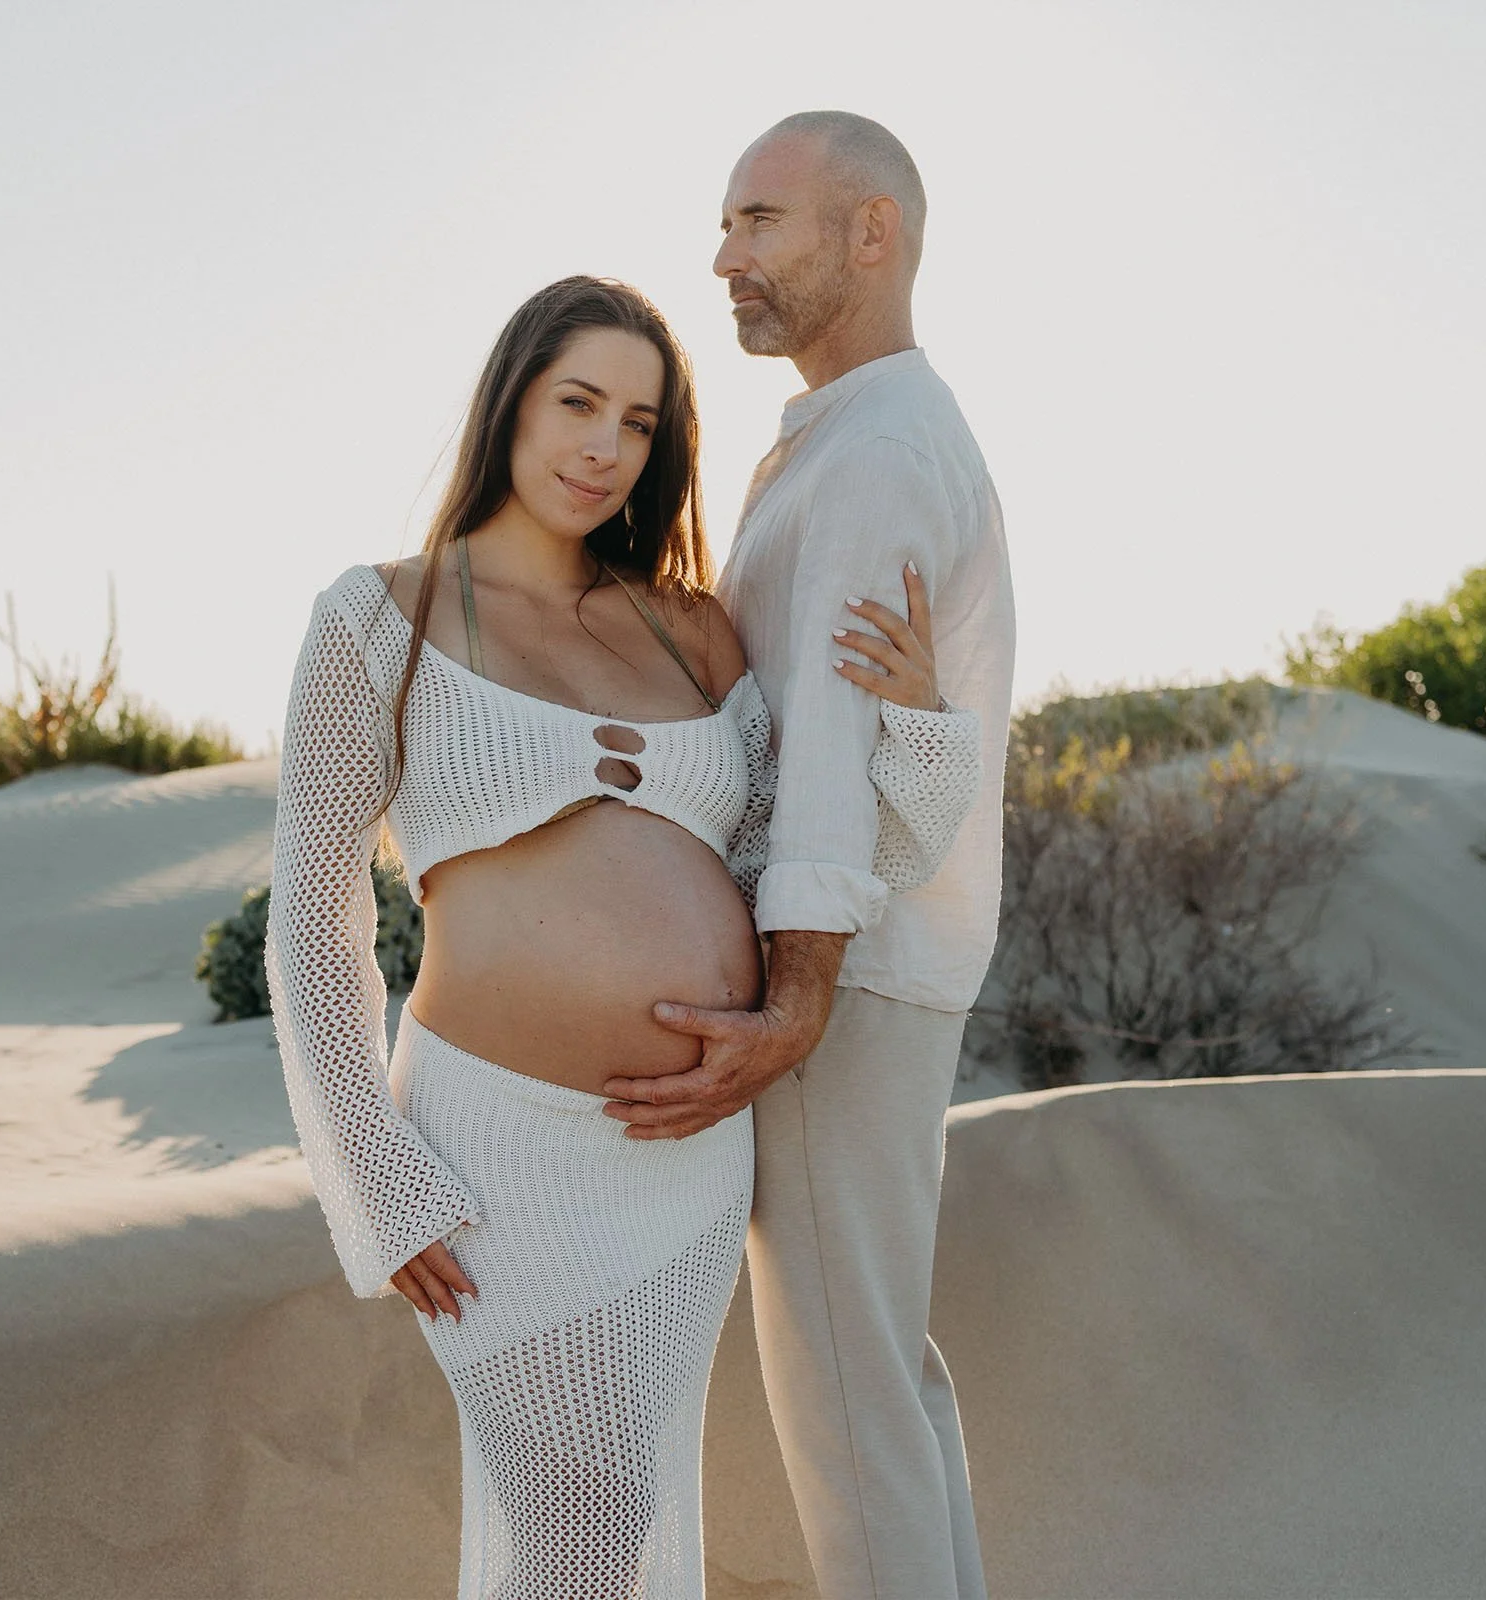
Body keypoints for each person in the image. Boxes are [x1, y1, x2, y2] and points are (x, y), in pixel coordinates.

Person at [264, 274, 981, 1598]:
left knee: (619, 1511)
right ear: (511, 404)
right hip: (491, 1158)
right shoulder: (378, 617)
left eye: (640, 423)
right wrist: (373, 1175)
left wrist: (924, 730)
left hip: (683, 1162)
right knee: (581, 1525)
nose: (604, 444)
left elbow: (840, 859)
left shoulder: (690, 629)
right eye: (578, 401)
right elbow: (309, 919)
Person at [601, 113, 1016, 1600]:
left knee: (848, 1412)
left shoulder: (880, 452)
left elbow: (836, 745)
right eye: (724, 224)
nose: (724, 257)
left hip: (844, 982)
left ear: (872, 234)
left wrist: (796, 995)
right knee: (884, 1387)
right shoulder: (858, 433)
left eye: (762, 220)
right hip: (868, 968)